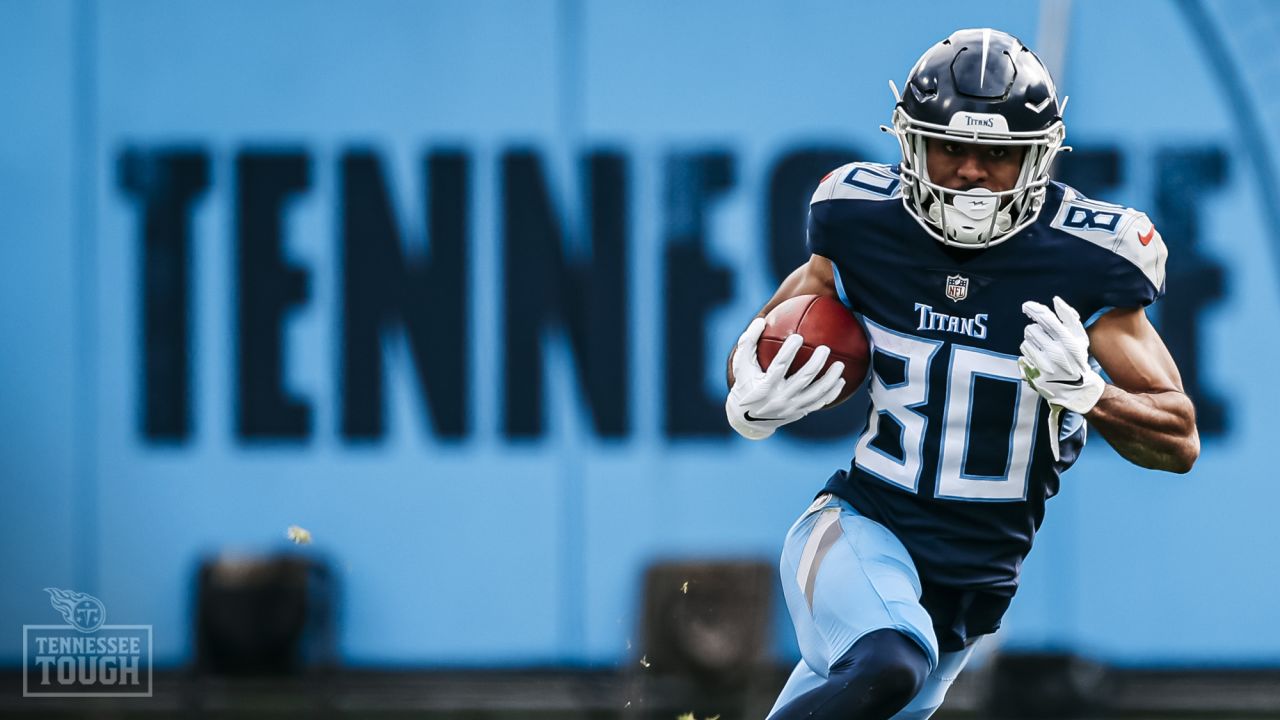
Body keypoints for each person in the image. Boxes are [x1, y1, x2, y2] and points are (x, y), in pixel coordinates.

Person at [724, 28, 1200, 720]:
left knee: (886, 671)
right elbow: (759, 340)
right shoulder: (859, 223)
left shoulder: (1087, 259)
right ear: (912, 144)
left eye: (997, 155)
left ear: (1037, 159)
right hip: (861, 529)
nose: (971, 172)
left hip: (967, 596)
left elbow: (1179, 440)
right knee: (888, 660)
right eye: (951, 147)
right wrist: (744, 396)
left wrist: (1090, 395)